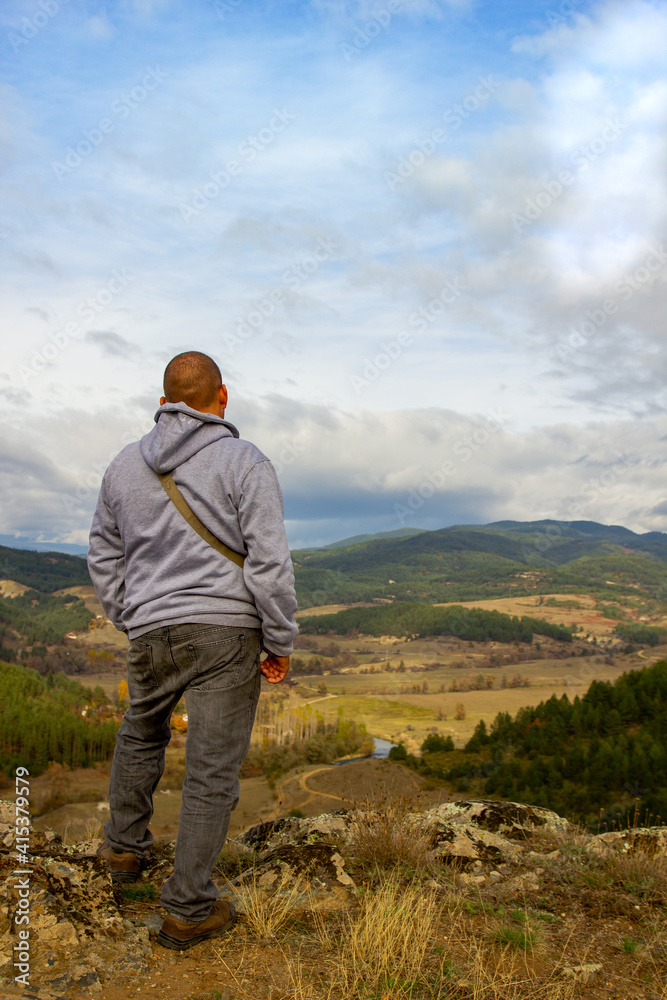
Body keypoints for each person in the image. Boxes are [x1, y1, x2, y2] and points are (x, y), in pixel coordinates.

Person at [87, 351, 298, 950]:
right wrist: (278, 638)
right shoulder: (245, 461)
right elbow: (270, 562)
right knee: (210, 770)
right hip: (228, 632)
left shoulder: (123, 467)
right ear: (221, 396)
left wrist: (132, 614)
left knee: (140, 732)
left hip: (151, 627)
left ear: (164, 399)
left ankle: (123, 851)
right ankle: (186, 908)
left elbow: (103, 555)